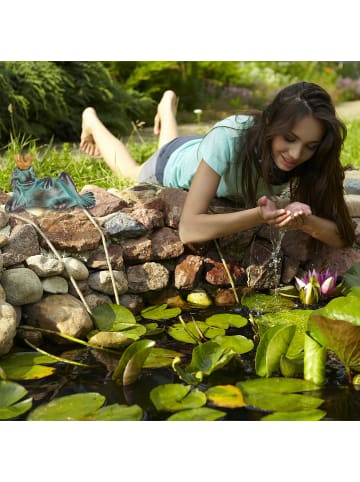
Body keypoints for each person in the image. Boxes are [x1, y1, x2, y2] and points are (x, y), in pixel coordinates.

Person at [80, 82, 355, 249]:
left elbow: (342, 238)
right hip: (173, 163)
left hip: (203, 151)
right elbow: (189, 230)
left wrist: (305, 221)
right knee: (131, 169)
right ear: (271, 124)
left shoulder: (312, 155)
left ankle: (167, 107)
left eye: (310, 145)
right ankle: (92, 119)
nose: (296, 154)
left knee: (173, 144)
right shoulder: (231, 137)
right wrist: (260, 216)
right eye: (290, 138)